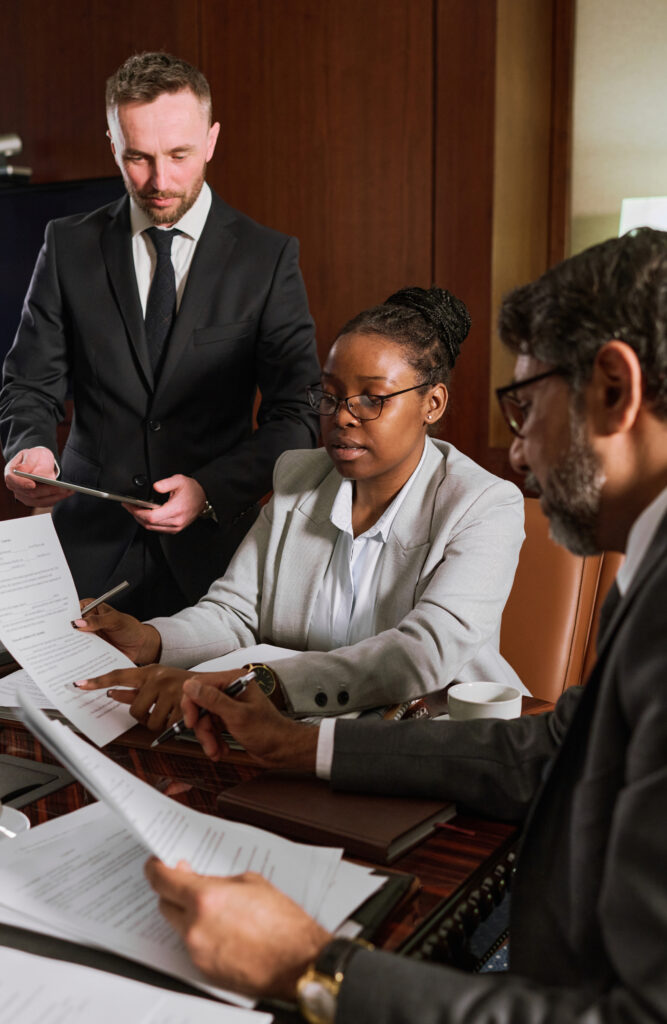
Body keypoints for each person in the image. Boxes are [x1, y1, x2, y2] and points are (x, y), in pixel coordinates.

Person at [144, 228, 666, 1023]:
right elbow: (552, 748)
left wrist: (314, 972)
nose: (518, 452)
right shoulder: (648, 562)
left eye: (525, 406)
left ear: (614, 390)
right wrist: (301, 745)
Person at [76, 285, 526, 726]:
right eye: (329, 396)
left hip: (434, 738)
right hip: (296, 732)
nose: (342, 416)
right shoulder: (299, 479)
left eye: (373, 398)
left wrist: (241, 683)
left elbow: (421, 654)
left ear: (432, 403)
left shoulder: (483, 505)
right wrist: (150, 641)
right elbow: (235, 613)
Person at [0, 52, 319, 619]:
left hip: (217, 562)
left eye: (179, 155)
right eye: (137, 158)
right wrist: (30, 446)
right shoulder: (67, 245)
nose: (160, 181)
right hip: (83, 553)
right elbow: (29, 382)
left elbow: (296, 415)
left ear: (212, 139)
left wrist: (210, 490)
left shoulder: (269, 259)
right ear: (113, 142)